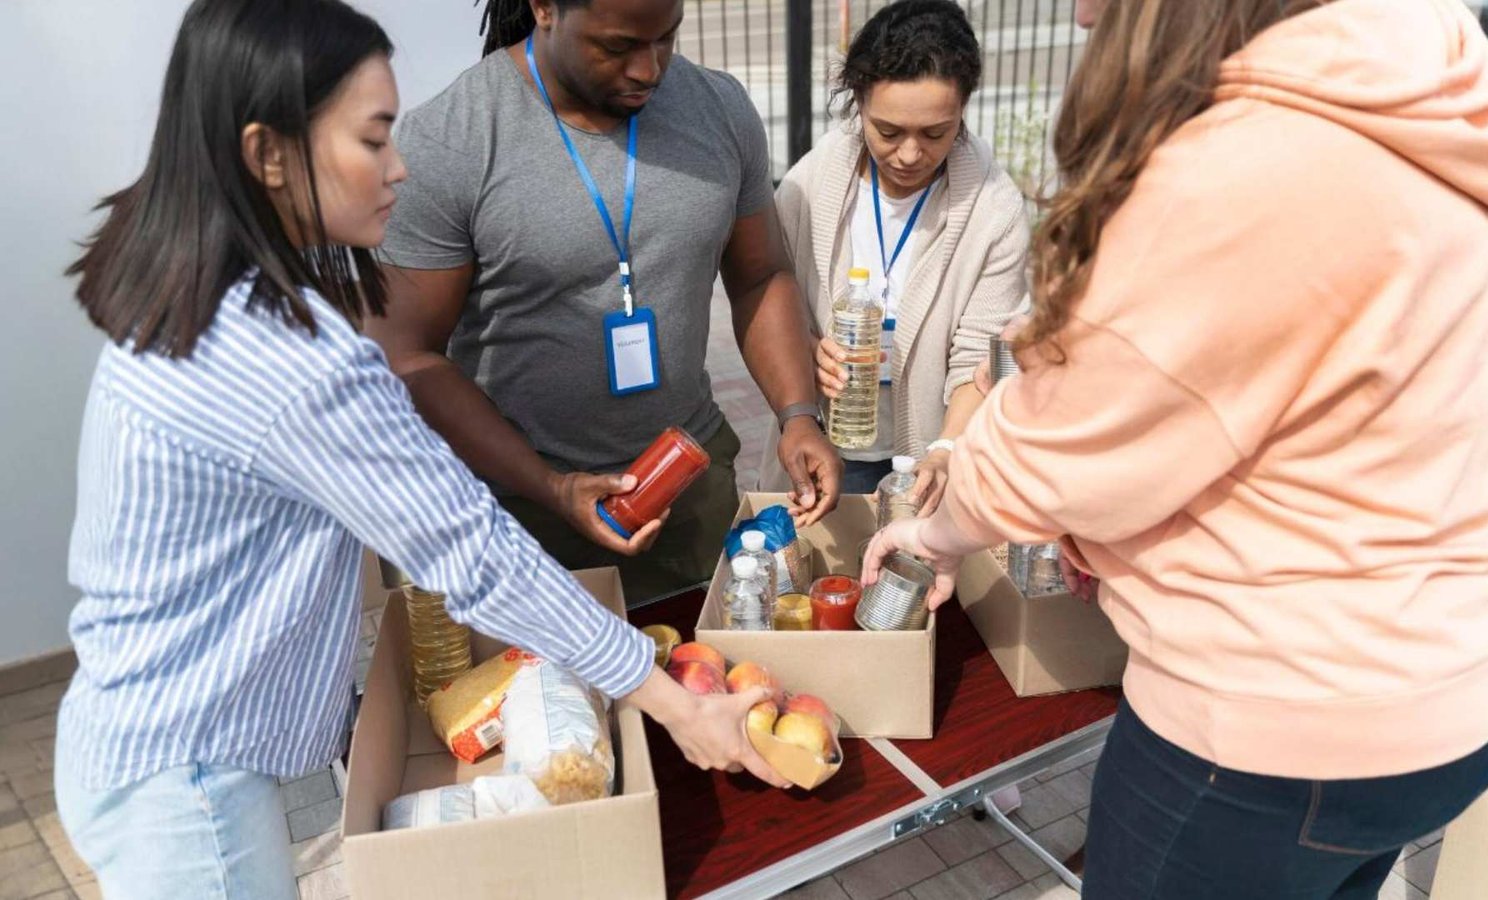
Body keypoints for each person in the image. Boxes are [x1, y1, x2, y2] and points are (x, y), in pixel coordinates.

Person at [54, 2, 784, 896]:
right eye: (373, 141)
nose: (401, 169)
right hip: (188, 779)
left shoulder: (206, 295)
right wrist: (674, 705)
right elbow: (468, 549)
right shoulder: (291, 360)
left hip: (142, 740)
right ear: (267, 154)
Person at [865, 0, 1488, 896]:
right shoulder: (1437, 112)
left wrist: (939, 531)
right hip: (1450, 692)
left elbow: (1071, 440)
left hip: (1271, 729)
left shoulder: (1249, 165)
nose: (1079, 13)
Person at [365, 0, 841, 604]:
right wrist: (552, 487)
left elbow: (760, 276)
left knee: (699, 674)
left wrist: (797, 415)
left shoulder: (718, 109)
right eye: (617, 47)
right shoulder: (453, 138)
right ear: (543, 9)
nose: (649, 70)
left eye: (666, 38)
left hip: (684, 494)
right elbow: (409, 355)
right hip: (517, 514)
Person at [757, 0, 1029, 508]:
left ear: (963, 108)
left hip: (930, 453)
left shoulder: (994, 209)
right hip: (830, 445)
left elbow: (981, 356)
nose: (909, 154)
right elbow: (773, 300)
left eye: (934, 133)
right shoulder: (808, 189)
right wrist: (808, 348)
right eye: (888, 131)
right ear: (858, 101)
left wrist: (946, 450)